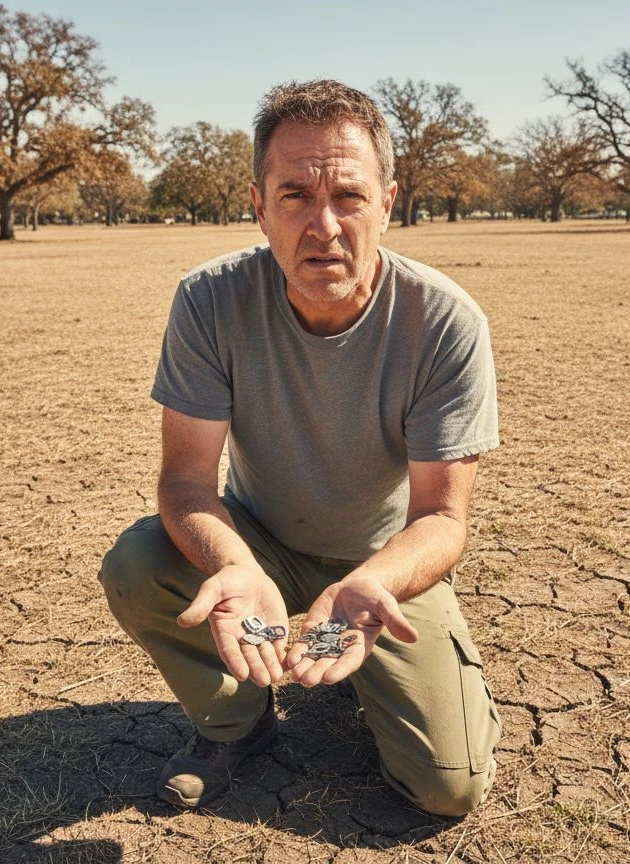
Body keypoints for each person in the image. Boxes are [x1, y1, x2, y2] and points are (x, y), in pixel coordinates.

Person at [99, 79, 501, 817]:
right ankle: (237, 725)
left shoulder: (444, 320)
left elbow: (443, 517)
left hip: (383, 568)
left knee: (449, 789)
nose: (323, 225)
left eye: (348, 195)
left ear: (387, 201)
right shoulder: (209, 301)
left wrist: (372, 584)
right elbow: (187, 484)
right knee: (137, 562)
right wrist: (235, 568)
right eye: (293, 196)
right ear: (258, 205)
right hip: (261, 542)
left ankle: (366, 672)